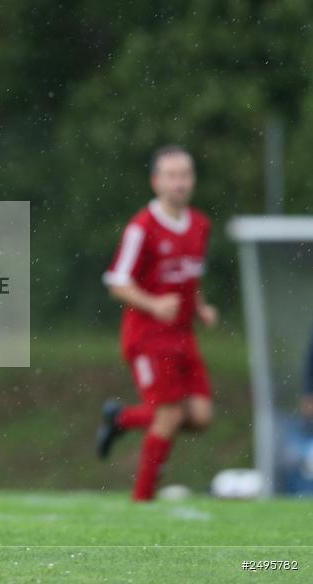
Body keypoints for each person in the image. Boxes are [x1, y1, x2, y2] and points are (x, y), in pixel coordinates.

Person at [96, 145, 218, 501]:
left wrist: (202, 307)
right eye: (172, 176)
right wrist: (153, 303)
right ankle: (143, 501)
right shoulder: (142, 228)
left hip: (184, 337)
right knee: (168, 414)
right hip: (147, 337)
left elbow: (189, 279)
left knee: (200, 416)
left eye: (185, 175)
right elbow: (117, 282)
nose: (180, 183)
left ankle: (119, 419)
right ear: (156, 182)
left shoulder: (200, 225)